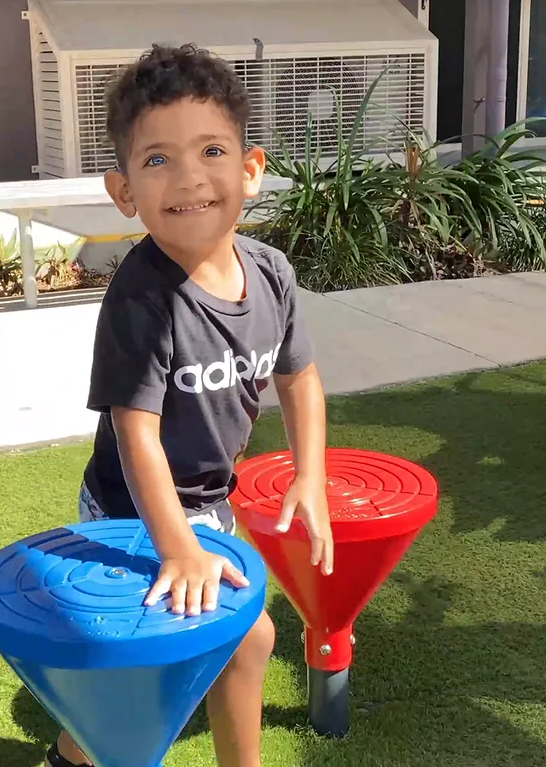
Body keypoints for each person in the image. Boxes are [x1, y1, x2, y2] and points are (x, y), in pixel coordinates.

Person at [49, 43, 337, 767]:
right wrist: (178, 548)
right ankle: (75, 754)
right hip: (128, 508)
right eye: (158, 160)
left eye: (211, 150)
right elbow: (136, 435)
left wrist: (309, 476)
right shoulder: (142, 298)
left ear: (251, 169)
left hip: (210, 500)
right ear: (124, 192)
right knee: (221, 643)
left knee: (211, 647)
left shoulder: (271, 275)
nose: (189, 178)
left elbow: (300, 378)